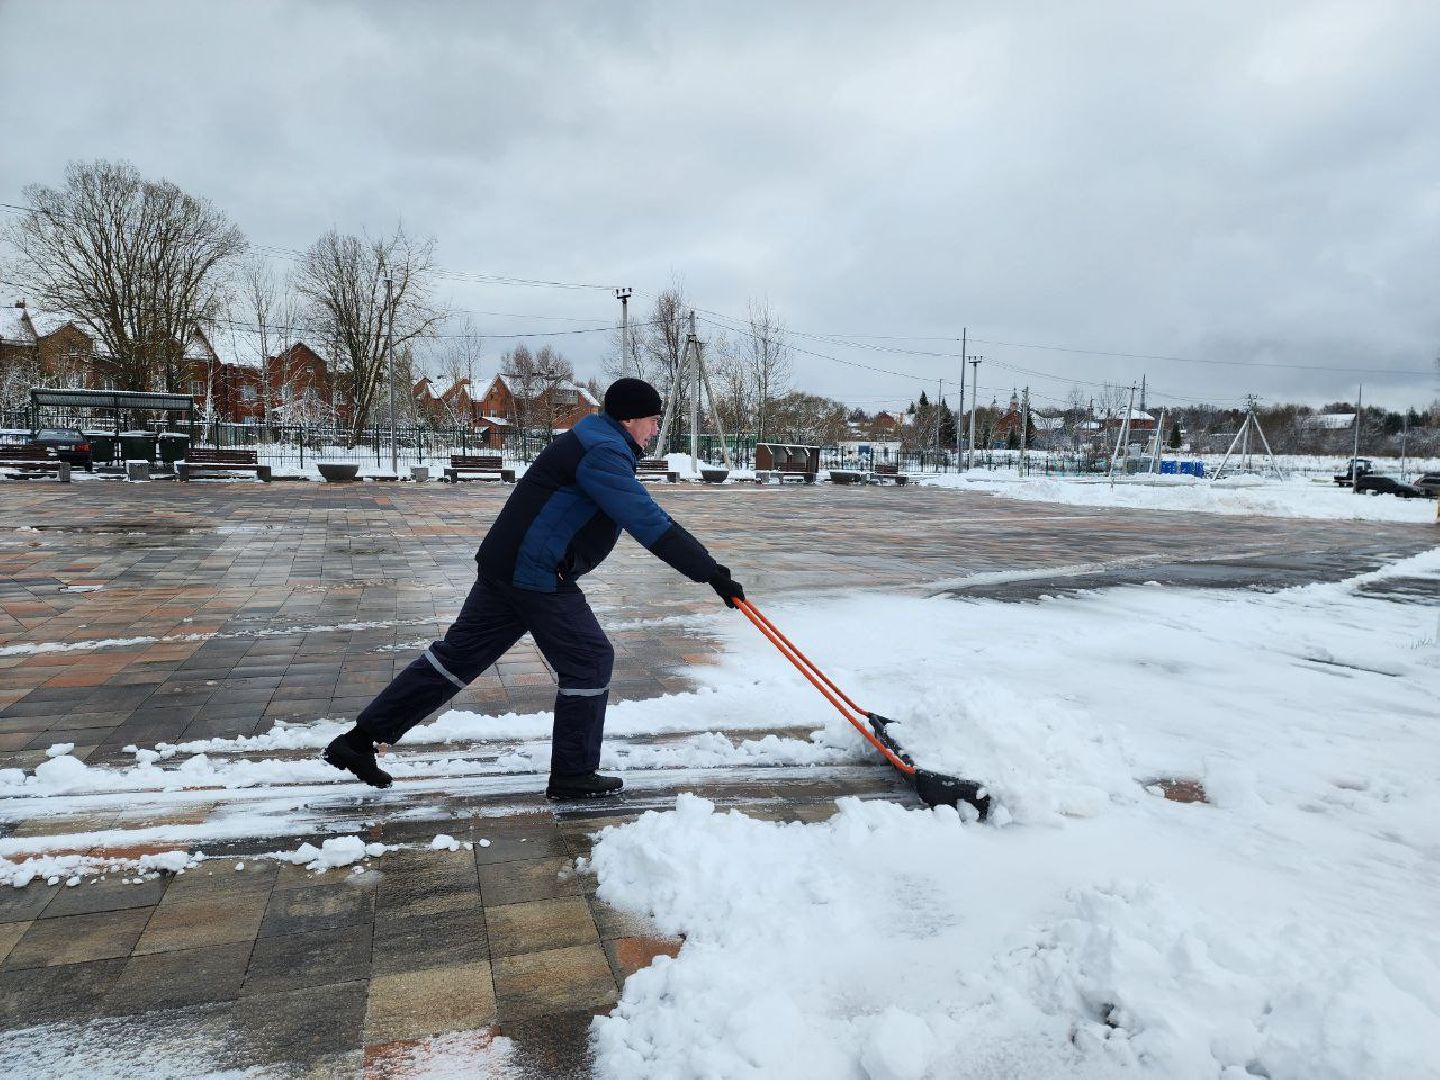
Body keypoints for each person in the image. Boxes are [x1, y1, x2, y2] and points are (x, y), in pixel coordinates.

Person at [324, 377, 745, 799]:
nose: (655, 430)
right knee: (589, 658)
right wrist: (711, 573)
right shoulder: (602, 451)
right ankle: (573, 774)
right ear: (630, 418)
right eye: (653, 421)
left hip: (507, 566)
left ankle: (357, 743)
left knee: (456, 659)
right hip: (535, 572)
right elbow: (647, 521)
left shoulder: (594, 440)